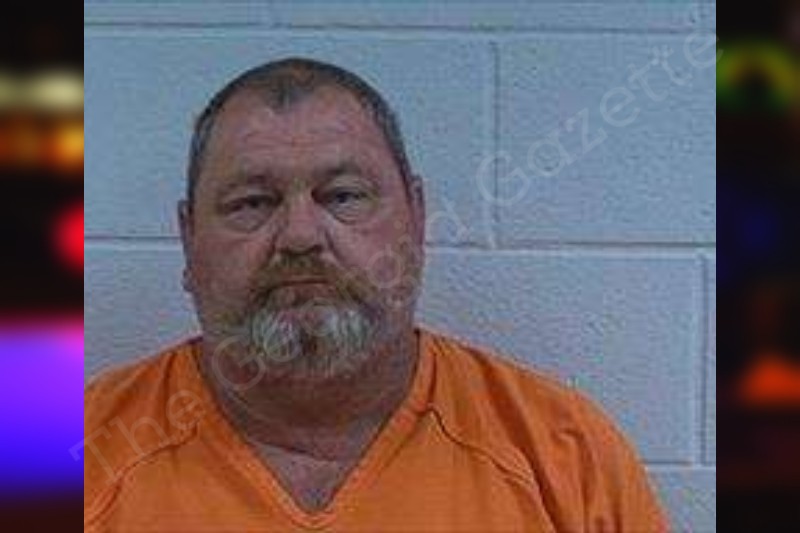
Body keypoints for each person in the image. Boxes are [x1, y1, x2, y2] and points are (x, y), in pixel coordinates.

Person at [84, 57, 669, 532]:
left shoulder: (565, 457)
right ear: (188, 240)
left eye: (343, 196)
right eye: (252, 203)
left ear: (417, 219)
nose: (300, 236)